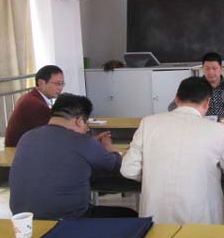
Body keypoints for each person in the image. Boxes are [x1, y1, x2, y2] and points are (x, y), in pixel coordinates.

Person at [121, 76, 224, 225]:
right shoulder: (219, 130)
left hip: (155, 220)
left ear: (176, 99)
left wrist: (155, 175)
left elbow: (128, 170)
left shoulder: (148, 123)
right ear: (207, 102)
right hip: (202, 221)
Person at [9, 93, 137, 220]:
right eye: (86, 125)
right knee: (130, 214)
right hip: (68, 220)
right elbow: (118, 166)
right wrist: (109, 148)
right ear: (79, 121)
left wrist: (91, 145)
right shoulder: (84, 142)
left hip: (24, 219)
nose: (86, 130)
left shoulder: (27, 137)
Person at [5, 65, 65, 147]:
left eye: (62, 84)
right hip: (19, 151)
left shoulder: (31, 97)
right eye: (57, 84)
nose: (60, 88)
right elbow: (52, 134)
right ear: (41, 83)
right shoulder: (34, 105)